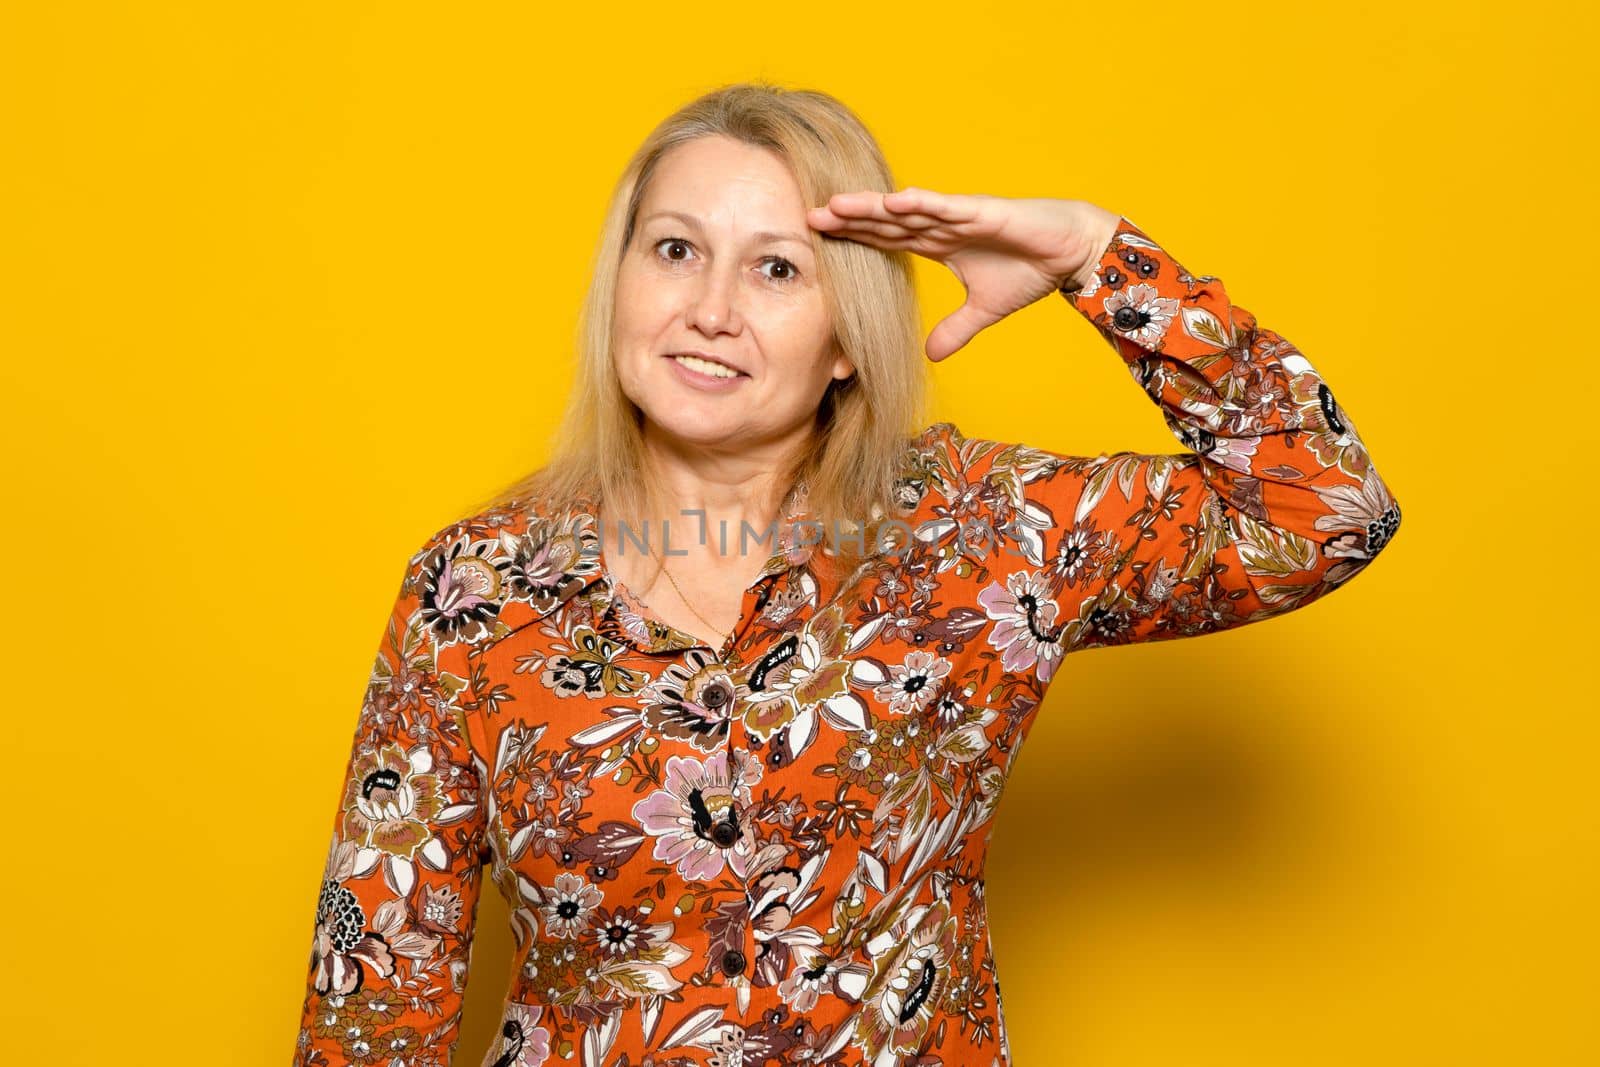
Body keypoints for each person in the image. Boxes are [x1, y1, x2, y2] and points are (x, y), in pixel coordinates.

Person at [292, 82, 1401, 1067]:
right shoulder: (473, 588)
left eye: (777, 268)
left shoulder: (973, 533)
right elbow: (373, 996)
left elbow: (1323, 507)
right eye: (674, 248)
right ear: (619, 283)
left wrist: (1090, 253)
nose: (709, 308)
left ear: (844, 336)